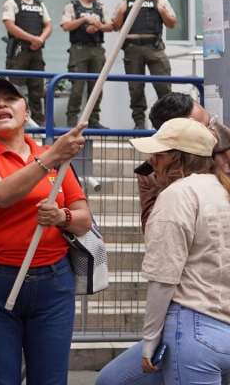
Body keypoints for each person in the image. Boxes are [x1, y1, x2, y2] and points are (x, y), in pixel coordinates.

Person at [0, 77, 92, 385]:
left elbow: (84, 220)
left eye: (10, 98)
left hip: (54, 284)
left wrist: (62, 216)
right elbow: (0, 194)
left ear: (26, 110)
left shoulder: (54, 156)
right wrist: (51, 157)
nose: (1, 104)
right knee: (1, 379)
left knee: (51, 380)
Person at [97, 117, 230, 384]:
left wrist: (150, 340)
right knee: (111, 379)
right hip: (217, 327)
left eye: (158, 155)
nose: (151, 161)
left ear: (176, 158)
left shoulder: (177, 195)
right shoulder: (222, 189)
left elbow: (163, 279)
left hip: (193, 327)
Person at [138, 92, 230, 230]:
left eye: (212, 121)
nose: (214, 131)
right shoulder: (153, 170)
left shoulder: (225, 149)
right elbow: (155, 228)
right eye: (205, 127)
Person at [110, 0, 178, 130]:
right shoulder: (126, 1)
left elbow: (172, 23)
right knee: (135, 88)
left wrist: (162, 10)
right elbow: (115, 26)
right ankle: (139, 123)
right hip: (132, 48)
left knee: (163, 86)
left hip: (154, 47)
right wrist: (121, 13)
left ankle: (167, 123)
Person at [2, 0, 51, 125]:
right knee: (15, 88)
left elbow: (49, 25)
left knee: (37, 88)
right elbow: (10, 25)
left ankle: (38, 123)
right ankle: (14, 122)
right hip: (19, 50)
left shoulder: (39, 5)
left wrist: (41, 39)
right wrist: (32, 38)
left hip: (36, 51)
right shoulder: (12, 3)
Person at [61, 0, 110, 128]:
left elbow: (110, 26)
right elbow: (66, 26)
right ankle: (72, 121)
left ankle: (93, 120)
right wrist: (83, 20)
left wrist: (97, 27)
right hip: (79, 50)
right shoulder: (72, 6)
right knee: (77, 87)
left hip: (97, 48)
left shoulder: (100, 7)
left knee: (96, 87)